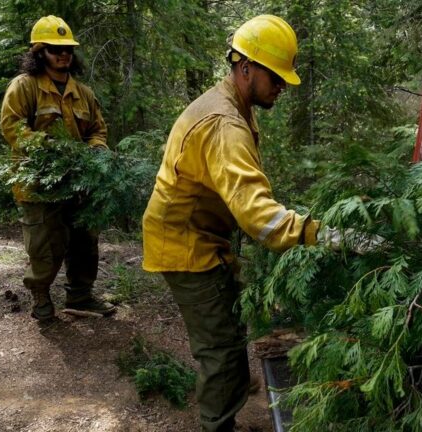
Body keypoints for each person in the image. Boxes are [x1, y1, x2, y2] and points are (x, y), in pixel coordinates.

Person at [141, 14, 321, 432]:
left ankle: (232, 392)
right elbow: (260, 218)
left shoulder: (235, 105)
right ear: (245, 68)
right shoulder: (225, 124)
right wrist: (319, 233)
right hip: (184, 244)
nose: (281, 87)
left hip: (203, 235)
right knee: (219, 348)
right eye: (275, 77)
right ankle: (218, 422)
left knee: (228, 325)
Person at [0, 15, 115, 322]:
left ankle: (81, 295)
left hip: (78, 182)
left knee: (85, 241)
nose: (63, 54)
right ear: (39, 52)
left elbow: (98, 131)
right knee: (44, 247)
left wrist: (94, 153)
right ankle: (40, 295)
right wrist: (48, 148)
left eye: (67, 49)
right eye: (54, 48)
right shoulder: (24, 87)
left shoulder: (83, 93)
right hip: (37, 185)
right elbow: (11, 126)